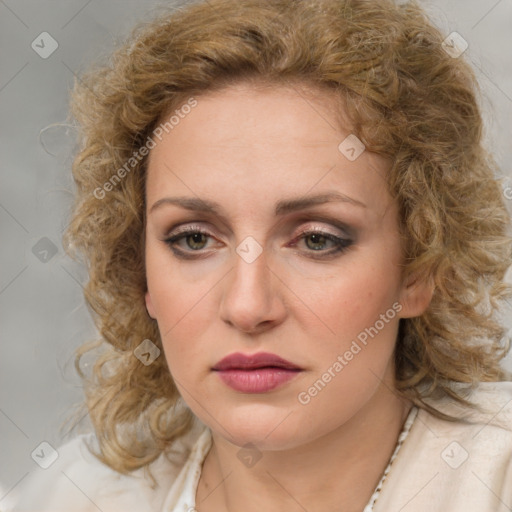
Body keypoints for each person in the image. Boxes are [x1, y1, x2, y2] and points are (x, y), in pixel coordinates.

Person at [4, 0, 512, 510]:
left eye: (317, 239)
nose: (248, 307)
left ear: (419, 270)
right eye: (194, 239)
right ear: (142, 277)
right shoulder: (73, 495)